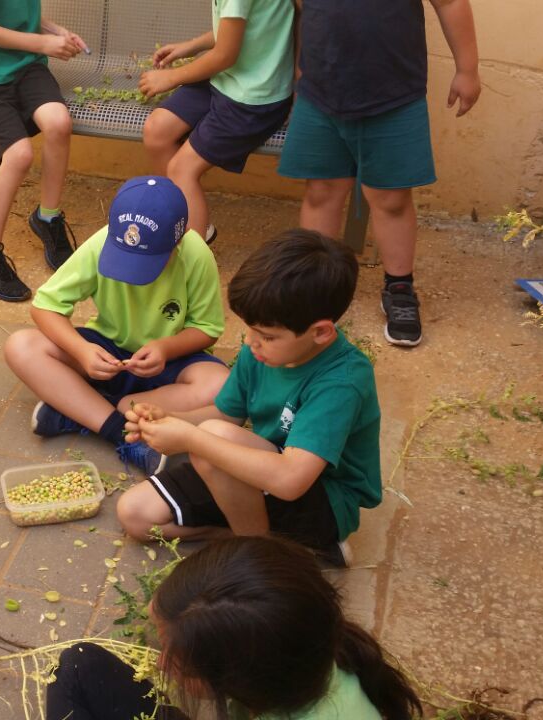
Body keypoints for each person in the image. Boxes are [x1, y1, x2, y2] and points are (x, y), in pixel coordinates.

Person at [117, 229, 379, 567]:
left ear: (321, 332)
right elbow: (226, 415)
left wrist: (189, 438)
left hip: (320, 500)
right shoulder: (260, 351)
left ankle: (260, 557)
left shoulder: (341, 382)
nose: (252, 342)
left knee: (212, 440)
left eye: (268, 335)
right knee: (135, 515)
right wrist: (169, 419)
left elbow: (290, 480)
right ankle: (277, 542)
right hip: (249, 472)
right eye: (250, 329)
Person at [278, 0, 480, 347]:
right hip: (320, 94)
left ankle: (399, 287)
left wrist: (468, 69)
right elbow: (305, 13)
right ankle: (315, 284)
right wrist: (299, 74)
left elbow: (450, 3)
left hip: (394, 97)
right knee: (321, 191)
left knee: (391, 198)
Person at [46, 536, 422, 720]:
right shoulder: (303, 644)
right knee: (81, 665)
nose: (161, 665)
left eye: (180, 664)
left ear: (242, 680)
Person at [3, 176, 230, 476]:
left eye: (147, 261)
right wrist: (82, 351)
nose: (132, 272)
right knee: (20, 346)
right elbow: (45, 306)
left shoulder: (197, 254)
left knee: (223, 385)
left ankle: (81, 409)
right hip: (107, 353)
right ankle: (120, 431)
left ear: (179, 239)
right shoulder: (101, 242)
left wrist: (165, 347)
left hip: (171, 364)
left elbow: (207, 328)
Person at [0, 0, 87, 301]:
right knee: (19, 155)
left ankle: (48, 218)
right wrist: (44, 43)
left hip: (25, 67)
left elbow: (14, 13)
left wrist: (56, 32)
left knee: (59, 123)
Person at [140, 0, 295, 245]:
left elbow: (225, 55)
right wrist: (190, 47)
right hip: (226, 79)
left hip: (253, 97)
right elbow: (237, 28)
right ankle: (193, 222)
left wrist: (170, 77)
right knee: (157, 130)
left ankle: (192, 264)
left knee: (182, 169)